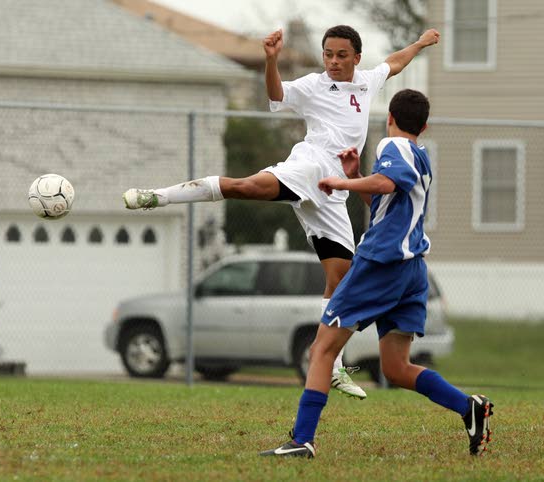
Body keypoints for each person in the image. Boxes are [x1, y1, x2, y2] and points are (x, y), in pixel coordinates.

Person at [122, 25, 440, 399]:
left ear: (356, 57)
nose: (333, 62)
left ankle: (333, 367)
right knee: (247, 187)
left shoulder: (368, 81)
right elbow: (277, 94)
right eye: (328, 54)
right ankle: (157, 196)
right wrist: (271, 61)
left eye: (341, 55)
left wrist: (419, 43)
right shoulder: (314, 85)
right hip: (311, 166)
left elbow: (394, 62)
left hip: (334, 193)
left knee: (340, 279)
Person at [259, 89, 494, 459]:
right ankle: (470, 407)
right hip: (412, 271)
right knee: (396, 368)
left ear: (390, 118)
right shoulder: (421, 156)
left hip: (380, 266)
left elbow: (386, 184)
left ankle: (302, 440)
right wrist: (357, 176)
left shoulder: (393, 145)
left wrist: (342, 183)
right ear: (426, 126)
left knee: (321, 348)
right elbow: (387, 200)